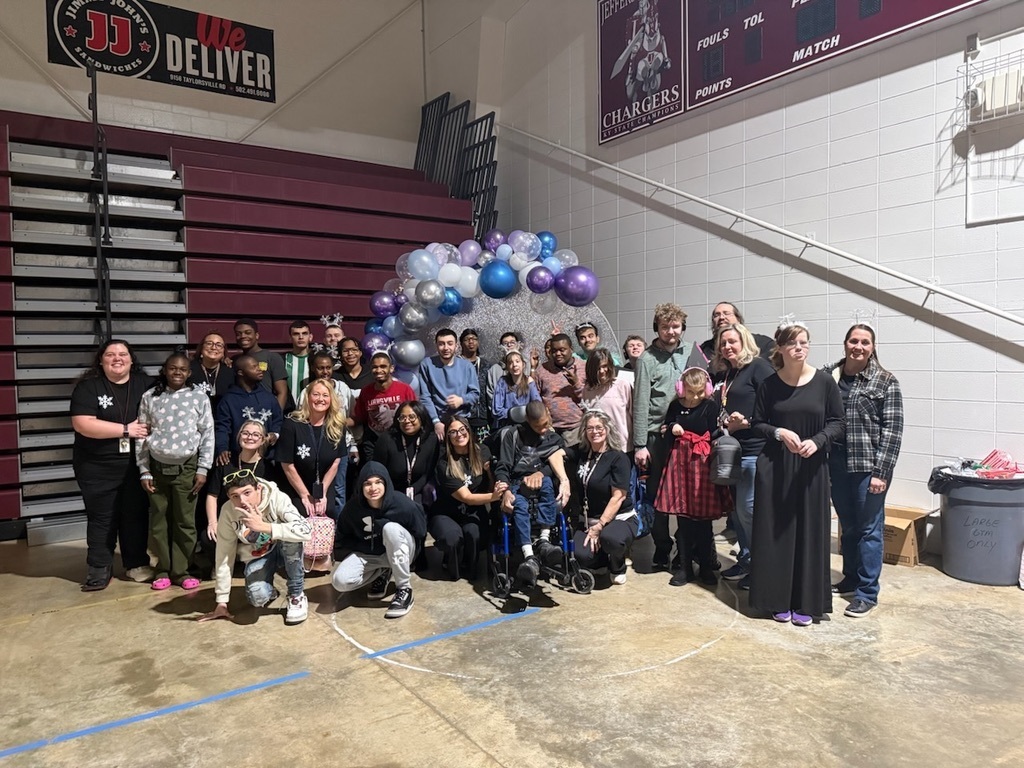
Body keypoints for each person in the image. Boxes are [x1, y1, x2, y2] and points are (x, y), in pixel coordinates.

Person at [749, 322, 844, 627]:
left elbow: (838, 422)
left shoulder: (825, 382)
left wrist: (817, 441)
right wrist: (778, 432)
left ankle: (806, 601)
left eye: (804, 342)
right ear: (781, 349)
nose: (799, 348)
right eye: (793, 343)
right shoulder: (769, 385)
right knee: (777, 534)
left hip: (811, 467)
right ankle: (777, 599)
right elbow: (758, 423)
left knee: (809, 533)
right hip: (776, 467)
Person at [824, 324, 904, 618]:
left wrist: (881, 472)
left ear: (873, 347)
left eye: (865, 342)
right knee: (849, 526)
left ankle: (867, 593)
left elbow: (893, 431)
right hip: (836, 463)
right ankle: (850, 578)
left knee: (870, 529)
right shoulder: (828, 376)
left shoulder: (885, 381)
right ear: (845, 344)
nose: (858, 346)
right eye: (853, 341)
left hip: (868, 467)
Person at [71, 340, 154, 591]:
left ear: (131, 359)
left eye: (122, 354)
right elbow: (83, 423)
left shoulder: (146, 384)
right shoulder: (88, 387)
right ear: (101, 360)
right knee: (102, 517)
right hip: (96, 465)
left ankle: (136, 563)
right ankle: (99, 566)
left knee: (135, 515)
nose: (117, 358)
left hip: (136, 464)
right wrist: (126, 430)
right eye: (110, 354)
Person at [632, 302, 708, 571]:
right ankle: (662, 546)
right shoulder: (646, 359)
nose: (671, 331)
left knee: (688, 495)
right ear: (657, 328)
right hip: (657, 437)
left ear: (682, 328)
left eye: (675, 326)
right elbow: (640, 402)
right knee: (658, 495)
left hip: (689, 435)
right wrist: (640, 444)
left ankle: (684, 547)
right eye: (665, 327)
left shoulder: (693, 352)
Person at [137, 352, 214, 591]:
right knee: (159, 520)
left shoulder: (199, 397)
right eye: (173, 368)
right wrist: (144, 469)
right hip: (157, 467)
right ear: (165, 370)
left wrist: (203, 468)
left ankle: (182, 570)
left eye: (182, 369)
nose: (177, 373)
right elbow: (141, 434)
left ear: (189, 373)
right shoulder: (150, 397)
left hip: (188, 468)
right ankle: (162, 569)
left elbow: (207, 434)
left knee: (185, 521)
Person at [198, 470, 311, 625]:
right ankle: (270, 589)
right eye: (235, 496)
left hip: (285, 549)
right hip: (261, 554)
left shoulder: (277, 498)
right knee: (257, 598)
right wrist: (222, 601)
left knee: (291, 538)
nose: (242, 500)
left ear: (259, 489)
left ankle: (296, 595)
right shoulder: (228, 511)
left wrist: (264, 526)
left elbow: (306, 531)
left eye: (247, 492)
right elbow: (224, 554)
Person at [710, 323, 776, 587]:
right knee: (737, 513)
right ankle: (748, 560)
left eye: (732, 342)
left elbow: (776, 407)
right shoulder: (728, 374)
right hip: (732, 452)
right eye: (723, 343)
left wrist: (747, 422)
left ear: (744, 342)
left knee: (749, 510)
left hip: (755, 451)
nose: (727, 347)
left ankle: (763, 566)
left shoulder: (758, 368)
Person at [654, 367, 732, 587]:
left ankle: (707, 567)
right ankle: (685, 568)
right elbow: (666, 430)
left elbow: (715, 433)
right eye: (691, 392)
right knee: (683, 520)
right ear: (681, 389)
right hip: (679, 464)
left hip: (702, 464)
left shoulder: (710, 406)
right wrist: (673, 427)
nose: (696, 396)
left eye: (700, 392)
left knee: (704, 522)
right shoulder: (674, 406)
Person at [332, 461, 427, 619]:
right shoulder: (352, 509)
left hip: (401, 551)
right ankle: (383, 572)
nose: (373, 488)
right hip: (370, 554)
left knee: (390, 529)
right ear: (361, 487)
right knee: (339, 581)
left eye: (378, 482)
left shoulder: (402, 503)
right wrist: (364, 545)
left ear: (386, 483)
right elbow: (342, 539)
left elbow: (421, 530)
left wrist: (418, 558)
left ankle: (404, 589)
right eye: (367, 483)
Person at [494, 401, 571, 590]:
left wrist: (541, 473)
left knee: (546, 485)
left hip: (542, 483)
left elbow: (556, 463)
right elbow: (503, 467)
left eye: (546, 423)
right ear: (528, 420)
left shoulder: (553, 438)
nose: (543, 429)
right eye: (538, 426)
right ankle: (529, 556)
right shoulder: (512, 435)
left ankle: (544, 542)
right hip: (517, 484)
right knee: (519, 504)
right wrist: (505, 491)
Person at [432, 415, 506, 580]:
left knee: (474, 533)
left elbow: (488, 485)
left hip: (473, 510)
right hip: (447, 512)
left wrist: (488, 472)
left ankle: (469, 565)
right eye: (453, 432)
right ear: (448, 437)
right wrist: (494, 496)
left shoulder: (483, 451)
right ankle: (451, 560)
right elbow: (467, 497)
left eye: (462, 430)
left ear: (469, 431)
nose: (459, 435)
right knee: (452, 538)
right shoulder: (444, 463)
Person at [568, 410, 637, 585]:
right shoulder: (582, 453)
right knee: (579, 554)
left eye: (599, 427)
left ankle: (617, 564)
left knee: (610, 538)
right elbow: (556, 454)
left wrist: (599, 526)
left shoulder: (618, 457)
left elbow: (618, 497)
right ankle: (601, 560)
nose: (595, 432)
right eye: (590, 428)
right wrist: (562, 480)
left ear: (607, 429)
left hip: (618, 518)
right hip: (589, 520)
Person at [198, 420, 274, 578]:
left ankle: (251, 564)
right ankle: (221, 565)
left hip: (256, 521)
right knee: (208, 536)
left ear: (262, 439)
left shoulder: (268, 468)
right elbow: (212, 495)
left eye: (255, 434)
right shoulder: (225, 462)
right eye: (245, 433)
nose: (250, 437)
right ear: (239, 436)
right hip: (229, 520)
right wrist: (213, 522)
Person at [277, 380, 350, 522]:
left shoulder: (337, 425)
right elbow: (287, 464)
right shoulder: (291, 424)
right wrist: (305, 495)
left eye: (325, 395)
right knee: (302, 512)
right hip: (296, 483)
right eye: (316, 394)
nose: (320, 399)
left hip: (323, 482)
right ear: (308, 397)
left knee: (327, 511)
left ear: (331, 399)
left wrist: (322, 493)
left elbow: (336, 461)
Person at [214, 354, 282, 467]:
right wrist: (222, 448)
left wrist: (275, 434)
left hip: (267, 461)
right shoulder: (228, 400)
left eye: (258, 366)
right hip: (237, 460)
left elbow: (278, 421)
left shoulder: (269, 397)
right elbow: (222, 428)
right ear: (241, 373)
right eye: (254, 367)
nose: (259, 369)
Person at [371, 400, 440, 506]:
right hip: (390, 492)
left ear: (421, 418)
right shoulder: (386, 440)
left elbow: (428, 473)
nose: (407, 421)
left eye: (412, 417)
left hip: (418, 491)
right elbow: (378, 473)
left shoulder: (431, 440)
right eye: (402, 417)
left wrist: (413, 490)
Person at [351, 352, 417, 461]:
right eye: (375, 367)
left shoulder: (405, 390)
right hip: (374, 442)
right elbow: (359, 417)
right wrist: (338, 421)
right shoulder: (366, 392)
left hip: (399, 440)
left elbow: (417, 416)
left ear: (391, 369)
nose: (378, 370)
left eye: (383, 366)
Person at [417, 328, 480, 441]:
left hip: (462, 420)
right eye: (441, 344)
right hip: (437, 422)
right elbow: (425, 397)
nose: (446, 348)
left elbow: (475, 394)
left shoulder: (467, 366)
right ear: (436, 346)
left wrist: (461, 400)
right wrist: (435, 421)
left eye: (450, 343)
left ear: (456, 346)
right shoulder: (426, 364)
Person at [532, 333, 586, 446]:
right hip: (550, 430)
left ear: (571, 349)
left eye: (562, 350)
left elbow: (591, 400)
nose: (558, 354)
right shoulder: (542, 370)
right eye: (554, 350)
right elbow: (534, 398)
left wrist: (576, 384)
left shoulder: (583, 367)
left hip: (576, 429)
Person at [581, 348, 633, 450]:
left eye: (604, 366)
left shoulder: (622, 385)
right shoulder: (587, 390)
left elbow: (633, 415)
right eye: (597, 368)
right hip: (599, 447)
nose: (601, 371)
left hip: (622, 447)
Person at [234, 318, 288, 409]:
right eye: (238, 334)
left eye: (247, 332)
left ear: (257, 335)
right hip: (242, 410)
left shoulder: (272, 357)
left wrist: (276, 417)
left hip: (265, 410)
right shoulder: (235, 360)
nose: (243, 336)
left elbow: (282, 392)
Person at [699, 302, 775, 362]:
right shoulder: (705, 349)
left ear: (738, 319)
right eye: (717, 315)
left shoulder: (764, 343)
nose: (721, 317)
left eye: (726, 313)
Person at [491, 350, 541, 429]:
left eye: (517, 361)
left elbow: (537, 405)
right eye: (510, 363)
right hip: (506, 425)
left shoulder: (529, 381)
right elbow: (496, 410)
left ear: (523, 364)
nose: (514, 365)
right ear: (507, 367)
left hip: (527, 426)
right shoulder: (503, 382)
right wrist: (515, 413)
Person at [459, 328, 493, 442]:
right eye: (467, 339)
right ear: (461, 343)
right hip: (462, 416)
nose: (471, 341)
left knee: (482, 452)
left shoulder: (486, 364)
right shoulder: (455, 363)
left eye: (474, 339)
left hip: (482, 417)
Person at [190, 331, 234, 409]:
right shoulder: (189, 370)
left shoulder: (230, 372)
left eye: (219, 345)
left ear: (224, 351)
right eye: (209, 343)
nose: (213, 347)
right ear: (201, 348)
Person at [283, 319, 313, 408]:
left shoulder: (317, 360)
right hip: (288, 412)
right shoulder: (282, 359)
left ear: (310, 337)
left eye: (304, 333)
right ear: (290, 338)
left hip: (312, 411)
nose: (301, 337)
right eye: (296, 334)